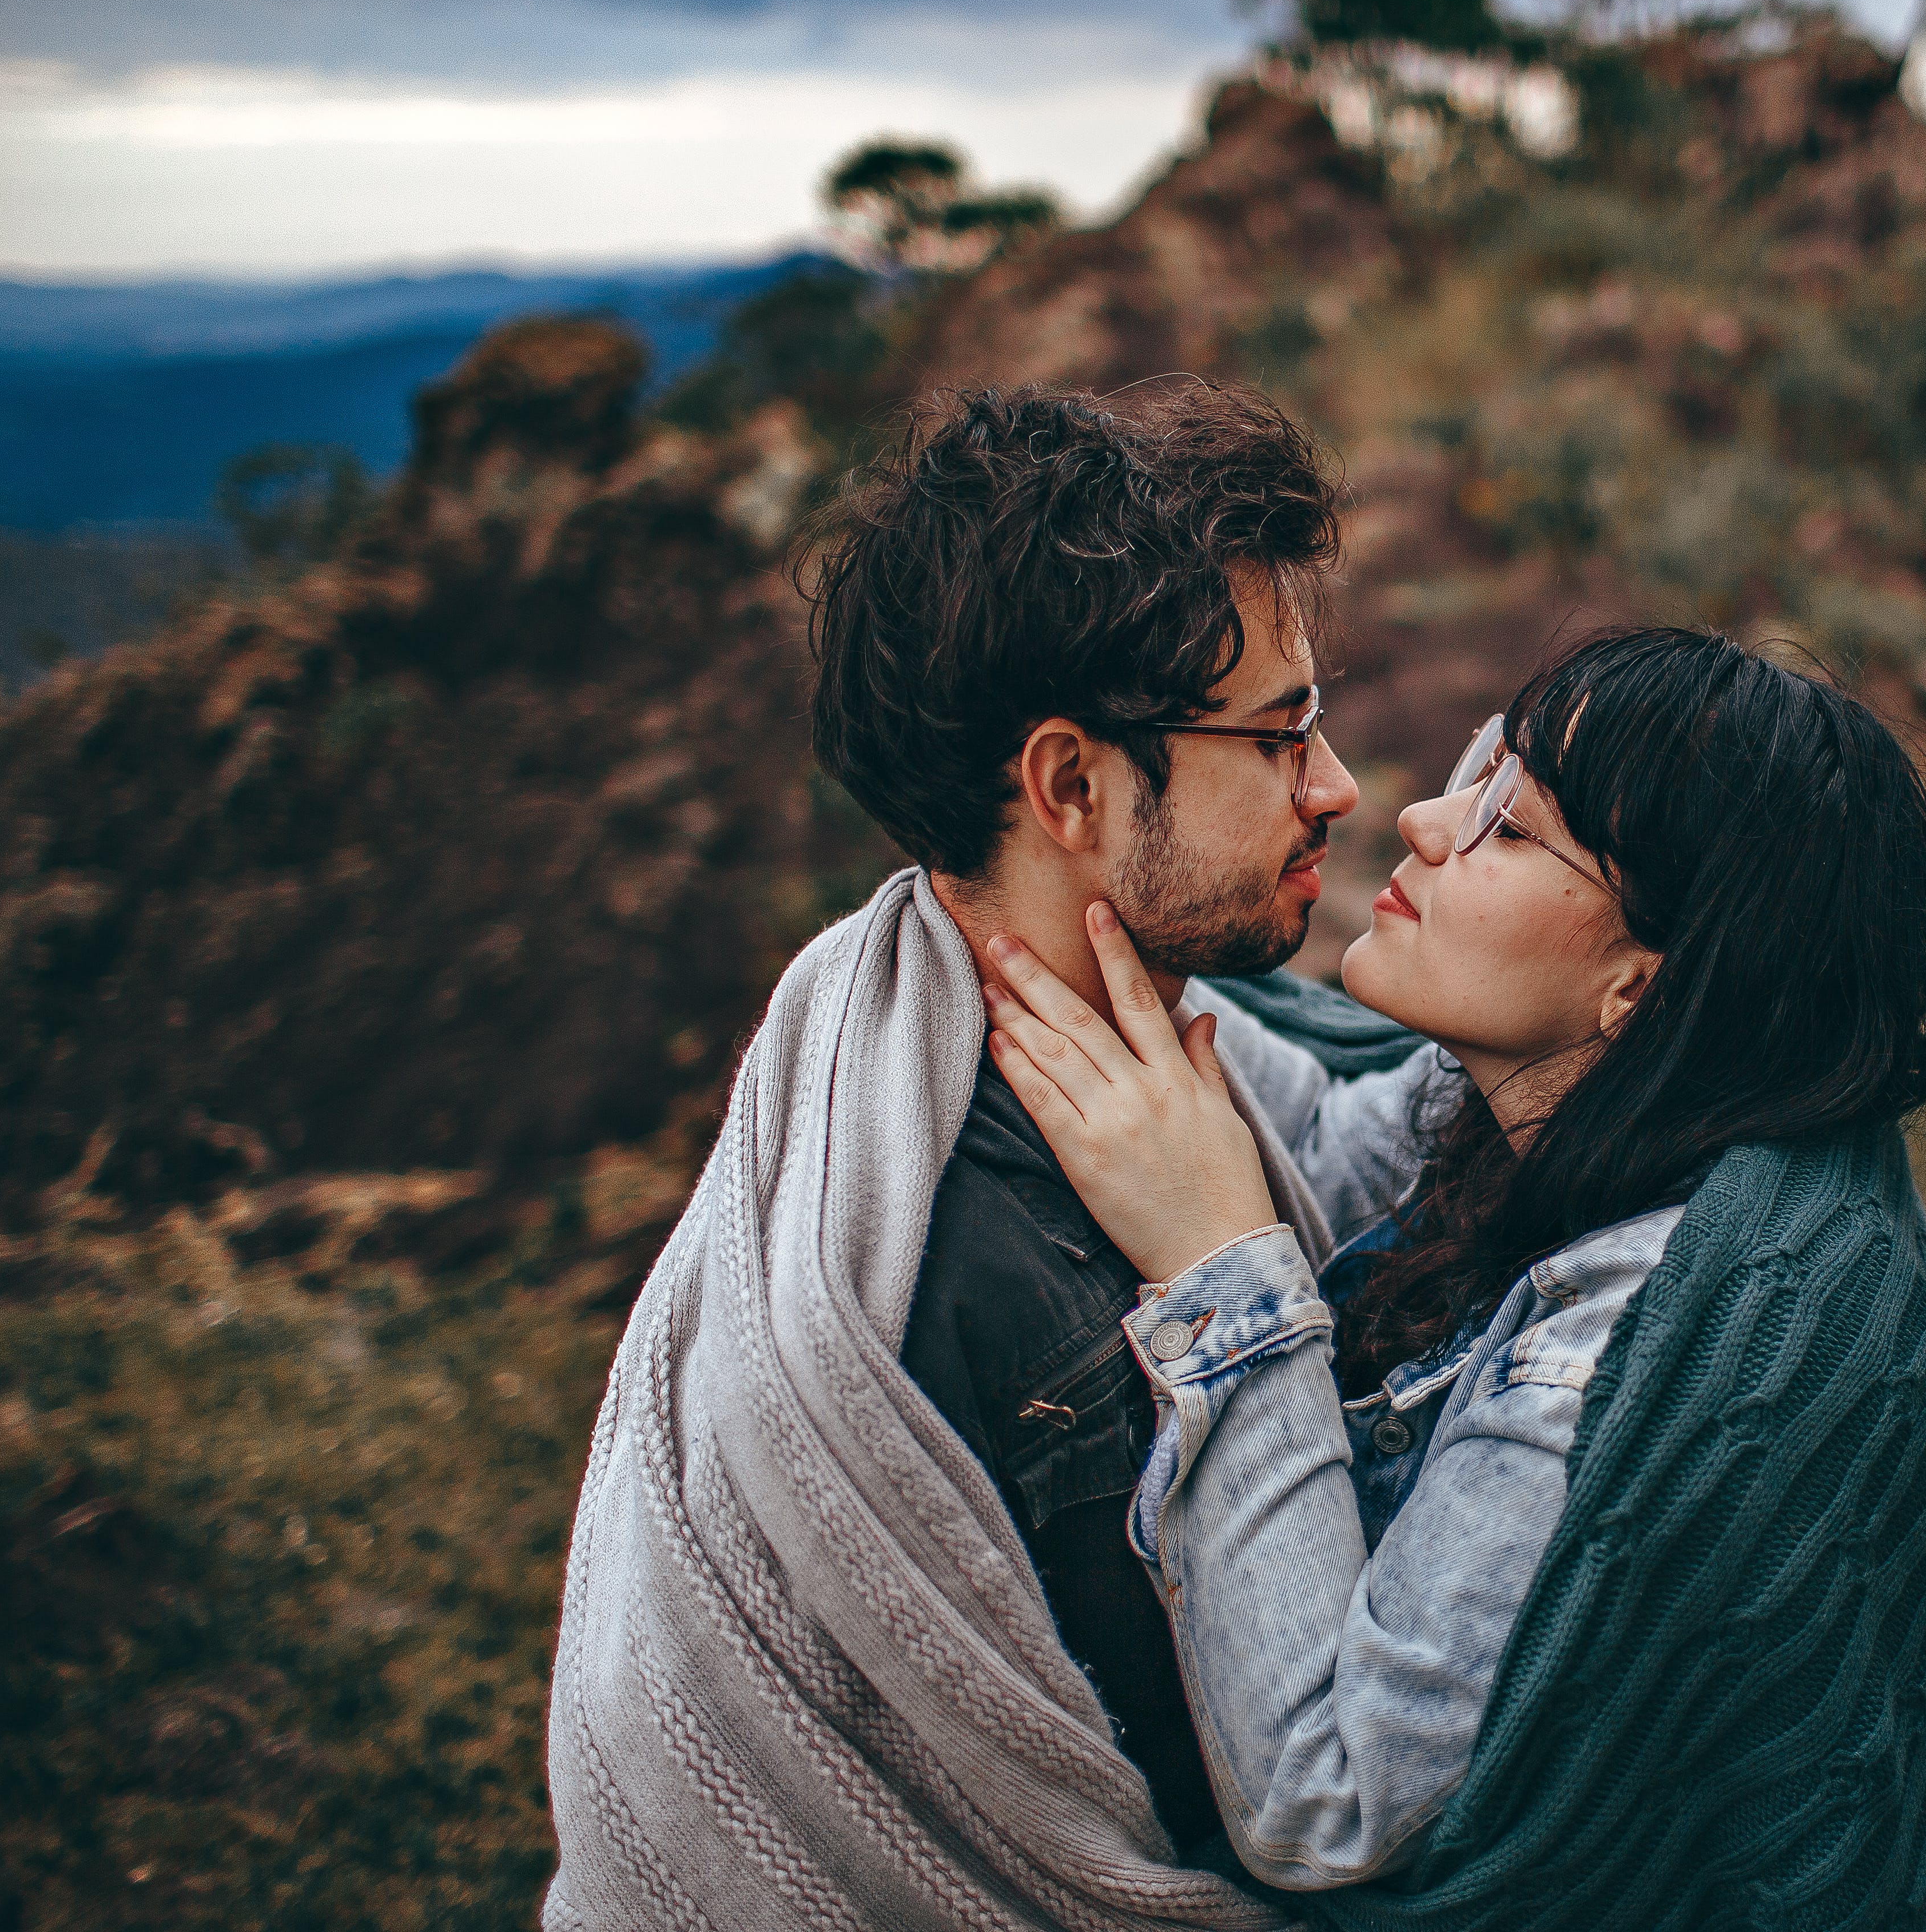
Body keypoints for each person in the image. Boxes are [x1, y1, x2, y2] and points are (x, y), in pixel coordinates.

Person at [542, 381, 1440, 1932]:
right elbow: (1259, 1794)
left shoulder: (1053, 1033)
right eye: (1279, 732)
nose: (1337, 787)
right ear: (1071, 788)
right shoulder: (1011, 1279)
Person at [979, 626, 1926, 1930]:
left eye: (1510, 830)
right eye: (1479, 776)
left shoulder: (1628, 1349)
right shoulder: (1560, 1104)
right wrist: (1033, 894)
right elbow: (1302, 1143)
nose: (1421, 819)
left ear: (1643, 984)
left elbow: (1329, 1799)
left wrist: (1217, 1268)